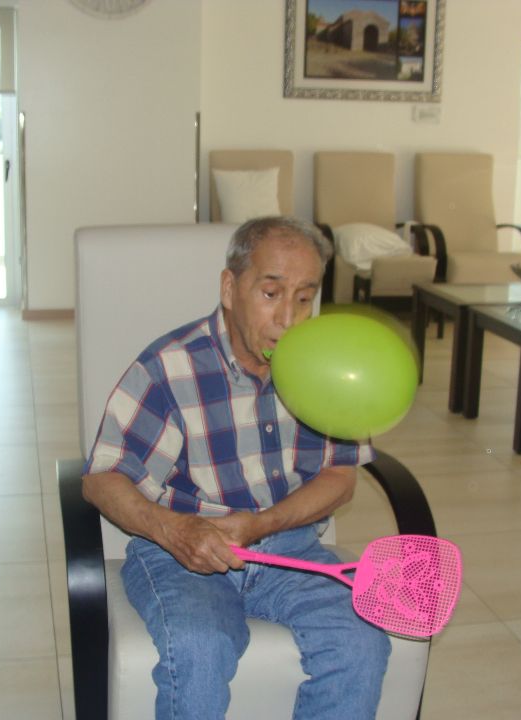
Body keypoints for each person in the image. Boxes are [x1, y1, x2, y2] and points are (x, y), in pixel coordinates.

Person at [82, 216, 390, 719]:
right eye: (271, 293)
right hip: (181, 554)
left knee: (360, 643)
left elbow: (340, 477)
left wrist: (264, 524)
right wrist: (175, 530)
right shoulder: (169, 368)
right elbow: (102, 478)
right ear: (230, 288)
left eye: (305, 298)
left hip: (290, 551)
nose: (289, 318)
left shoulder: (328, 370)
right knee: (200, 647)